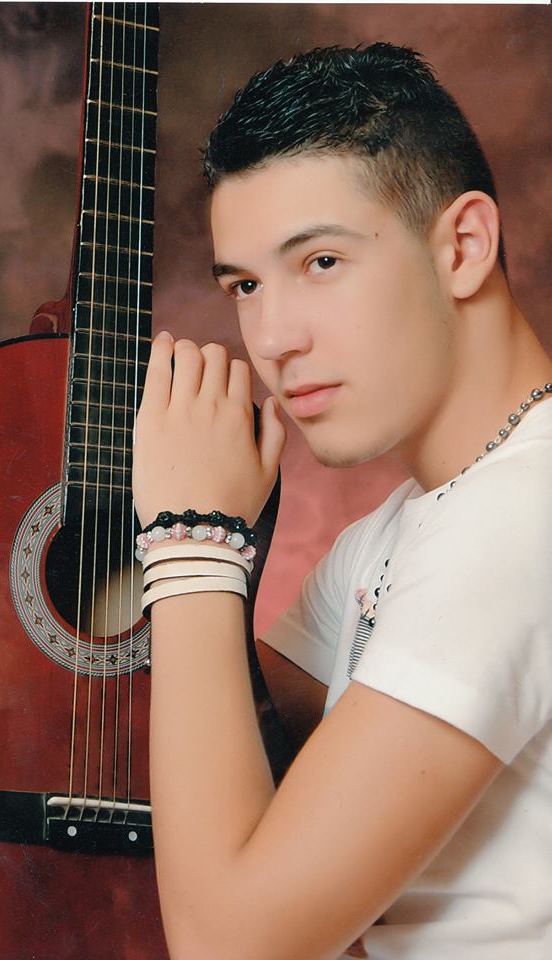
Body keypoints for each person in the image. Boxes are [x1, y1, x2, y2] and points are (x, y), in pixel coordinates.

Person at [131, 43, 552, 960]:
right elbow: (180, 768)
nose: (272, 338)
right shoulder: (396, 535)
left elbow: (231, 943)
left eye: (320, 261)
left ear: (462, 246)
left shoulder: (518, 517)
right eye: (245, 285)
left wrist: (192, 537)